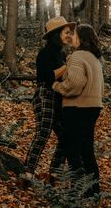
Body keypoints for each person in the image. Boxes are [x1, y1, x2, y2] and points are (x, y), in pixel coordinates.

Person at [52, 23, 104, 196]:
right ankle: (93, 191)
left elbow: (74, 84)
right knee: (87, 151)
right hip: (93, 107)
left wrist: (57, 86)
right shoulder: (94, 58)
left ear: (81, 38)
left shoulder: (77, 56)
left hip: (77, 108)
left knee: (73, 151)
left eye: (74, 34)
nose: (71, 37)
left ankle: (78, 193)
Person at [24, 16, 76, 182]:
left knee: (66, 136)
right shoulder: (45, 53)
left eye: (70, 32)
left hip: (58, 98)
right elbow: (48, 77)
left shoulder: (60, 54)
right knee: (43, 133)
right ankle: (27, 174)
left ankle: (54, 174)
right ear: (56, 34)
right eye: (66, 32)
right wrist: (67, 65)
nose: (69, 35)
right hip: (45, 95)